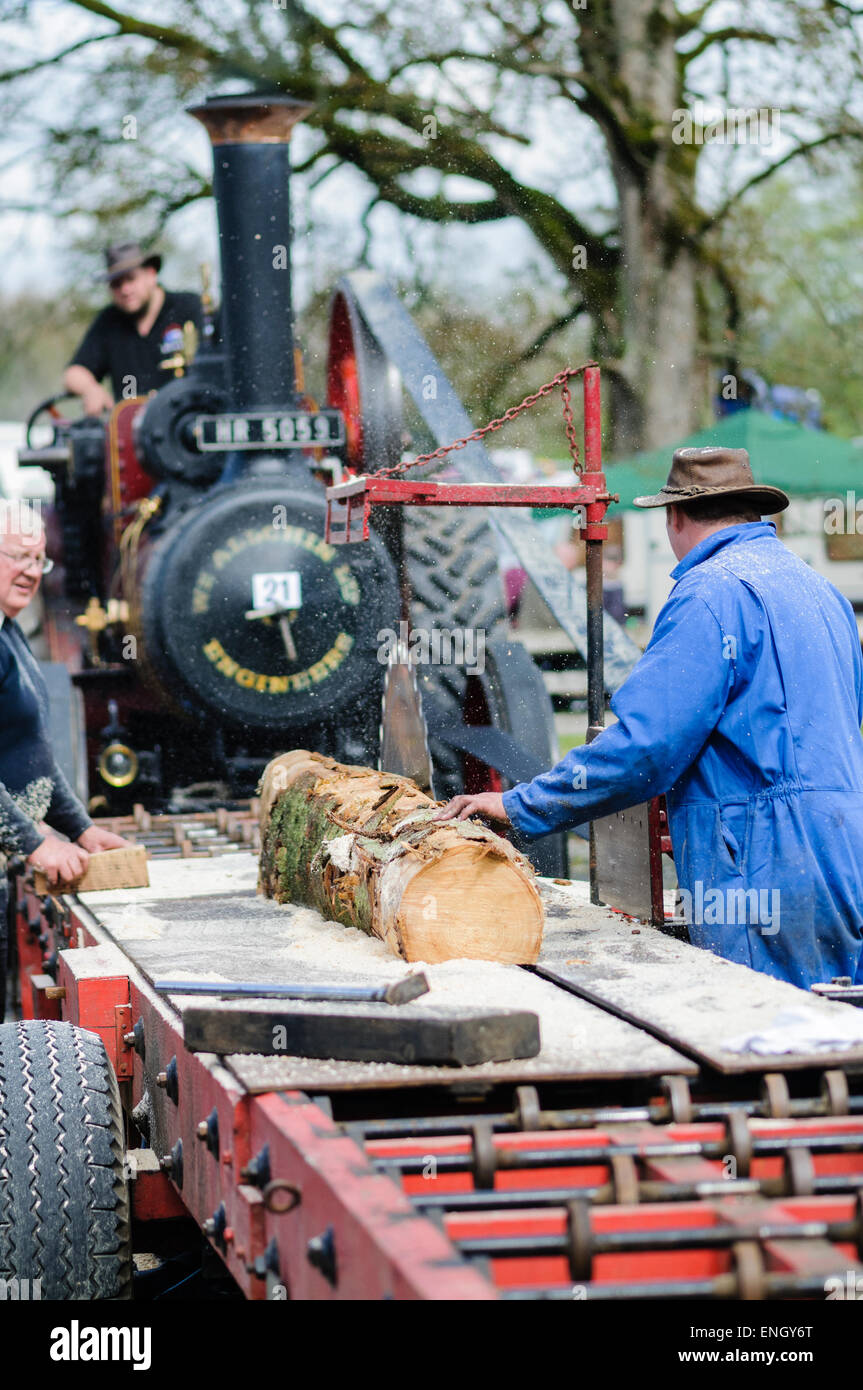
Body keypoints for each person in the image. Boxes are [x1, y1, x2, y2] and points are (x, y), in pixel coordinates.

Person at [436, 446, 863, 992]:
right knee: (835, 1032)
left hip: (764, 861)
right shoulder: (822, 594)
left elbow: (646, 749)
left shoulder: (709, 593)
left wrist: (523, 804)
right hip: (845, 846)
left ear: (675, 517)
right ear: (754, 511)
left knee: (763, 1032)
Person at [0, 501, 132, 1012]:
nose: (32, 571)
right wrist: (36, 844)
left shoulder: (9, 631)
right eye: (18, 557)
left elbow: (25, 746)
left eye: (39, 560)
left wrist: (78, 827)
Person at [64, 243, 203, 415]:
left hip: (189, 424)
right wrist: (90, 389)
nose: (125, 290)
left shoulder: (189, 308)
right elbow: (74, 373)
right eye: (116, 284)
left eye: (130, 279)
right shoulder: (109, 321)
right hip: (133, 434)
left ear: (151, 275)